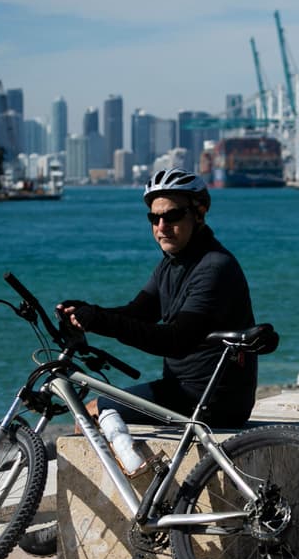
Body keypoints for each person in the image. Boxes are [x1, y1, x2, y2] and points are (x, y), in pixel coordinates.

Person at [56, 168, 258, 429]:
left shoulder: (213, 268)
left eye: (172, 216)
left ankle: (137, 471)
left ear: (199, 214)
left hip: (210, 399)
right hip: (185, 391)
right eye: (154, 218)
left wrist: (100, 322)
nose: (162, 227)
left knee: (92, 412)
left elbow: (175, 341)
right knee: (98, 411)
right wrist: (88, 312)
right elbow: (139, 312)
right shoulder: (172, 264)